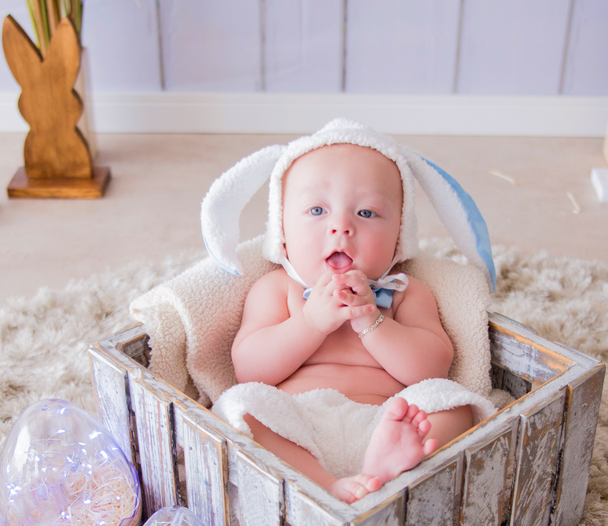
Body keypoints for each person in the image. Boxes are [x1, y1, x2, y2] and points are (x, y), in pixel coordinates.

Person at [211, 123, 497, 503]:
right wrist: (310, 323)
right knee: (240, 407)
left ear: (398, 234)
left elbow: (432, 368)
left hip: (387, 423)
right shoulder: (277, 289)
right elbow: (248, 369)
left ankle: (382, 471)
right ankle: (323, 484)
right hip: (297, 426)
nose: (341, 227)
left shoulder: (403, 292)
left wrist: (373, 323)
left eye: (366, 212)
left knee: (454, 406)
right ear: (281, 232)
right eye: (316, 210)